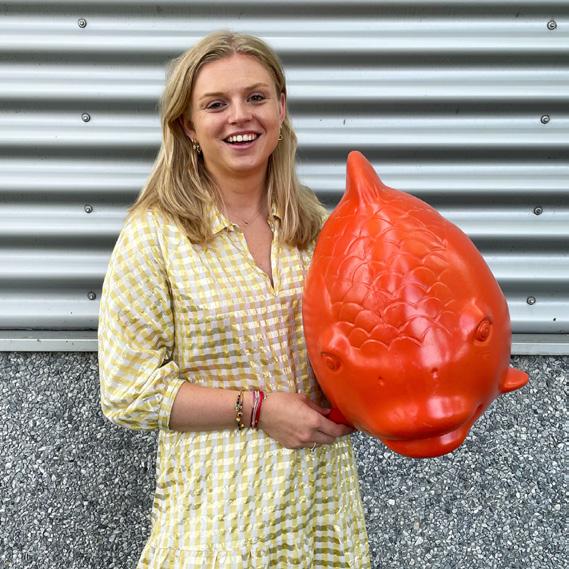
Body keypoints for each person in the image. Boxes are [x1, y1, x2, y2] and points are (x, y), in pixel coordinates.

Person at [98, 30, 371, 568]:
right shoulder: (155, 235)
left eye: (256, 97)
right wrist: (259, 409)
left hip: (323, 517)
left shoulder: (320, 228)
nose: (240, 116)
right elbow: (128, 391)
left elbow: (363, 343)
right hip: (220, 523)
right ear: (188, 126)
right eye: (216, 104)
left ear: (281, 109)